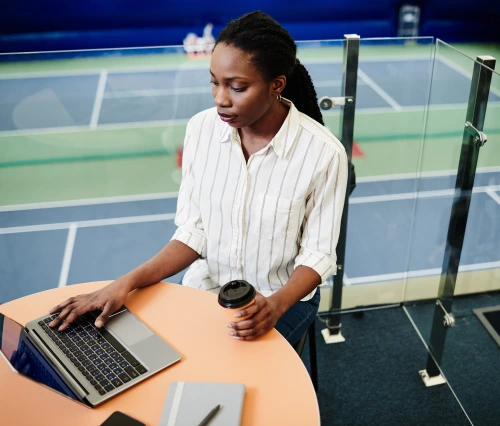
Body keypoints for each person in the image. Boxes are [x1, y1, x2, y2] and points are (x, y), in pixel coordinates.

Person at [48, 11, 348, 346]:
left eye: (237, 87)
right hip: (207, 288)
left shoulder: (324, 153)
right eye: (214, 82)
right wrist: (124, 283)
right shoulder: (201, 130)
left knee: (233, 375)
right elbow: (194, 232)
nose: (221, 99)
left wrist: (275, 306)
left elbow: (318, 255)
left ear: (276, 85)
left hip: (282, 299)